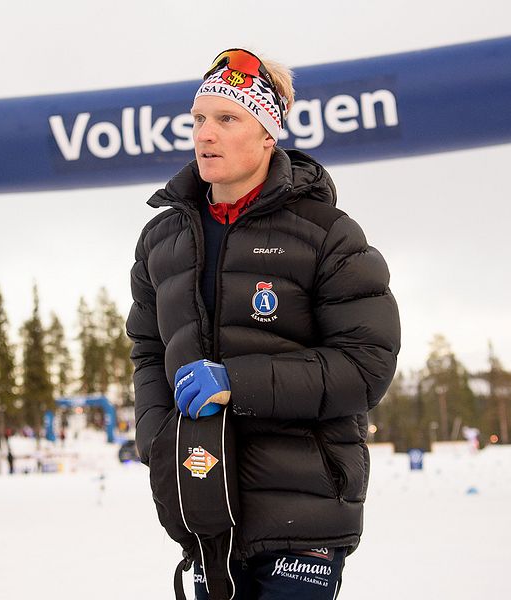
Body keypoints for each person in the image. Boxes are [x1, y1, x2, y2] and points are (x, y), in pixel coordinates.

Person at [126, 48, 401, 599]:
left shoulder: (329, 235)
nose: (206, 134)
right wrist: (158, 437)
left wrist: (236, 381)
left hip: (305, 511)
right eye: (199, 119)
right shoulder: (162, 240)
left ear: (268, 133)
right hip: (204, 500)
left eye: (228, 119)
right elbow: (148, 352)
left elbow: (366, 366)